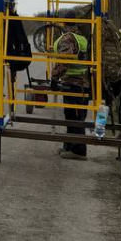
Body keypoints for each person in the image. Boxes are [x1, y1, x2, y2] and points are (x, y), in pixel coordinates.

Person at [52, 23, 91, 159]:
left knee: (75, 116)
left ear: (64, 23)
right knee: (72, 115)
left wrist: (55, 77)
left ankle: (79, 150)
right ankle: (68, 146)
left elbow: (64, 60)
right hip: (82, 82)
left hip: (74, 82)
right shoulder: (82, 37)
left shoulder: (68, 38)